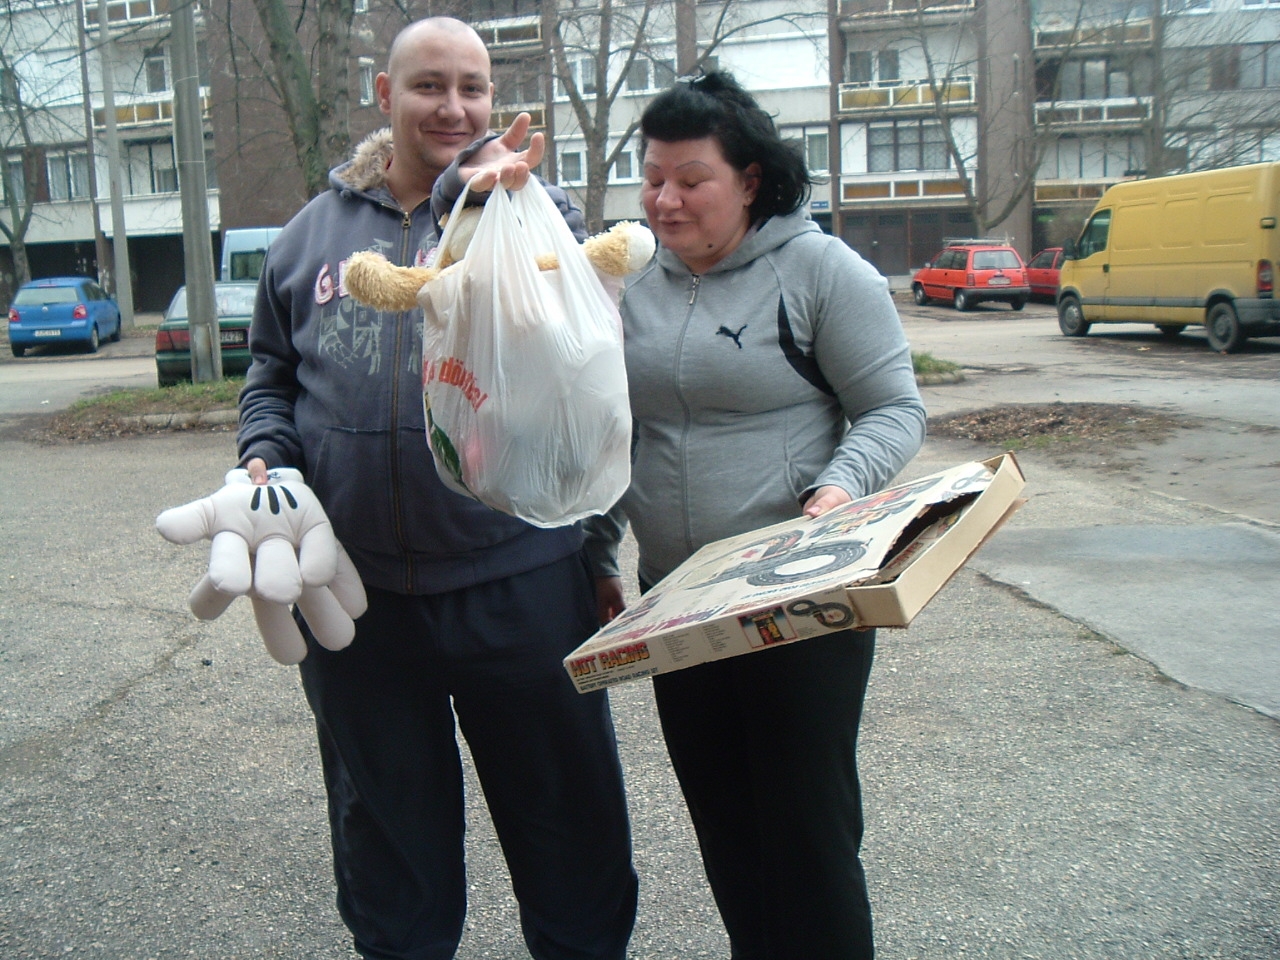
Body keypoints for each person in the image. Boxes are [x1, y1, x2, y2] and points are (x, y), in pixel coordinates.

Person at [236, 18, 637, 960]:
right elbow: (270, 376)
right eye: (428, 85)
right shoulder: (309, 237)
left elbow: (592, 398)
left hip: (521, 583)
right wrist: (266, 459)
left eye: (473, 87)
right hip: (359, 599)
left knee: (568, 830)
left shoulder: (536, 216)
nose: (453, 107)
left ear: (493, 98)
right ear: (384, 94)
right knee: (389, 849)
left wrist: (598, 552)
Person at [589, 71, 927, 959]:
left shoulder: (819, 271)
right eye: (651, 178)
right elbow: (613, 432)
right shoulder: (631, 282)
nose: (664, 199)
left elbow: (894, 408)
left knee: (806, 831)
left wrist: (839, 489)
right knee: (727, 825)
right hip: (679, 603)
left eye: (690, 178)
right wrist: (599, 550)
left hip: (797, 601)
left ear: (748, 180)